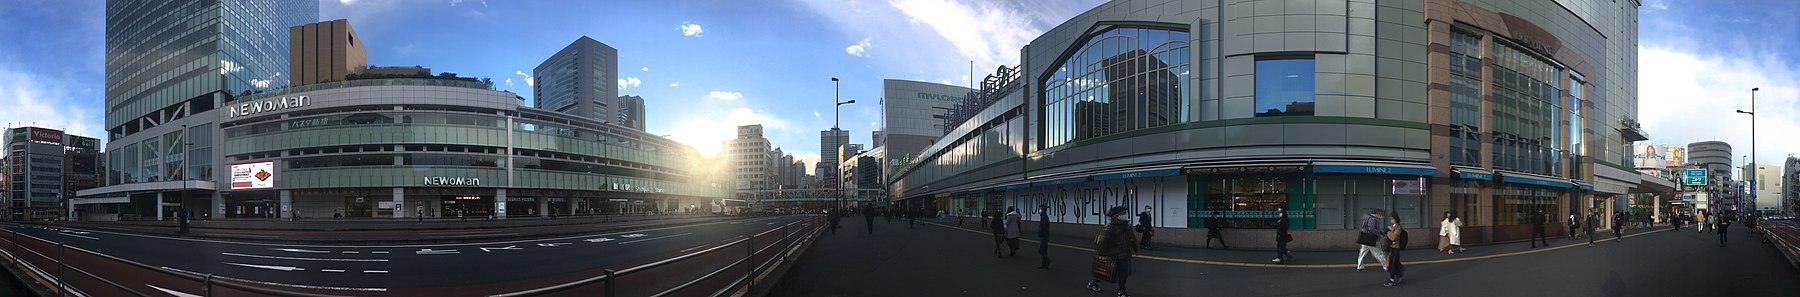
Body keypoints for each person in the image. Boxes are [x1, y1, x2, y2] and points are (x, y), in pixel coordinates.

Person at [1087, 206, 1138, 297]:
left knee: (1123, 273)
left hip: (1124, 255)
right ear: (1117, 216)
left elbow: (1132, 238)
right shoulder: (1109, 228)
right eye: (1123, 213)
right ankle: (1094, 282)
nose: (1125, 215)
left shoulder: (1127, 227)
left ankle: (1122, 291)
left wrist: (1135, 248)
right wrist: (1103, 254)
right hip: (1112, 255)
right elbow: (1099, 242)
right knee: (1107, 272)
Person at [1383, 214, 1409, 287]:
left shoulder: (1398, 227)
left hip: (1396, 247)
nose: (1391, 220)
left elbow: (1393, 237)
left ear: (1396, 219)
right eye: (1391, 219)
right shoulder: (1393, 227)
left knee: (1393, 263)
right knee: (1395, 262)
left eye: (1392, 219)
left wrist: (1388, 231)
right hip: (1391, 246)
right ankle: (1399, 274)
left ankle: (1392, 279)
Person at [1037, 204, 1052, 269]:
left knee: (1041, 250)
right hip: (1045, 235)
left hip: (1044, 235)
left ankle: (1047, 261)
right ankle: (1044, 264)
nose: (1040, 210)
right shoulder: (1043, 216)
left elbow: (1043, 226)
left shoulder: (1044, 217)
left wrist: (1039, 232)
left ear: (1043, 210)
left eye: (1041, 209)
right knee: (1044, 250)